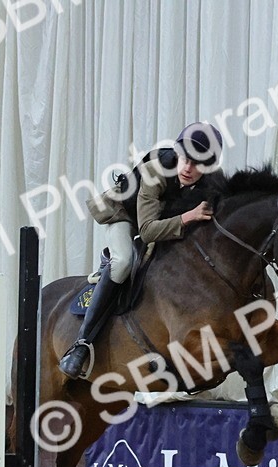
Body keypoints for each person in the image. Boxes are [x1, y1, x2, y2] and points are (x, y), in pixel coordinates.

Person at [61, 121, 227, 379]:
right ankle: (81, 346)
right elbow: (148, 231)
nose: (188, 168)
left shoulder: (215, 181)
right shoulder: (154, 171)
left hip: (163, 218)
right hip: (125, 214)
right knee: (124, 263)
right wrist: (189, 216)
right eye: (185, 159)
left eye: (197, 164)